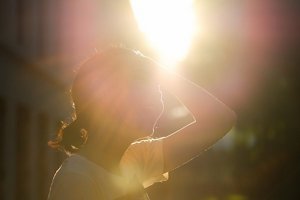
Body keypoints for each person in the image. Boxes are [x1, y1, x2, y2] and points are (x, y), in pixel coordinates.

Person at [47, 47, 236, 200]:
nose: (156, 100)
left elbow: (220, 120)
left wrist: (156, 68)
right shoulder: (77, 179)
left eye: (156, 89)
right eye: (143, 87)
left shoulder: (133, 158)